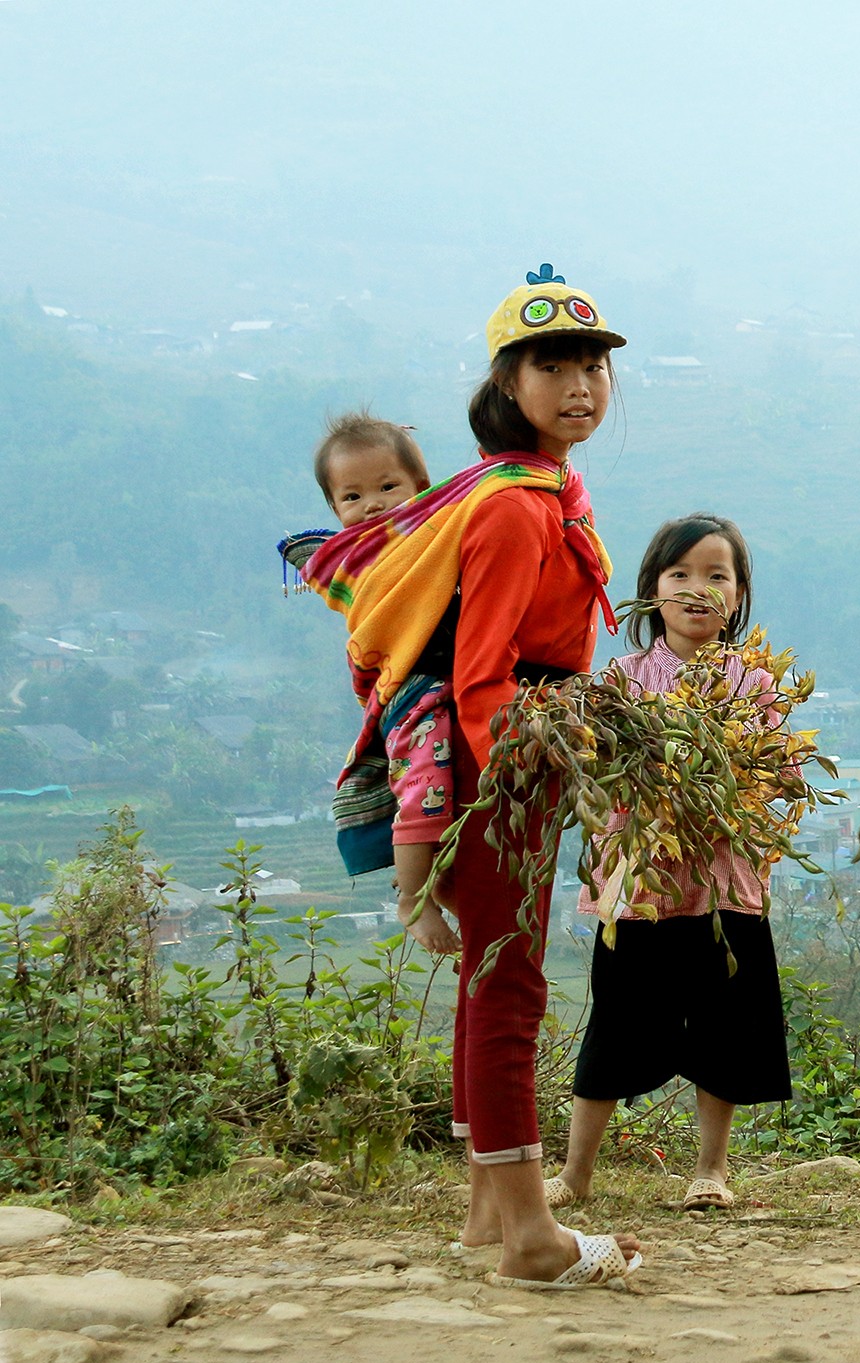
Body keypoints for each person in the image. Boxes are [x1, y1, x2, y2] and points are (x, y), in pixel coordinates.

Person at [300, 265, 638, 1288]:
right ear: (507, 380)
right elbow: (482, 672)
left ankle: (488, 1217)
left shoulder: (550, 489)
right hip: (506, 757)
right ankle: (533, 1235)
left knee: (496, 981)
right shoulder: (509, 508)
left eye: (591, 364)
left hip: (528, 746)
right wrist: (535, 782)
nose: (578, 383)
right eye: (552, 365)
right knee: (507, 985)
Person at [545, 513, 794, 1216]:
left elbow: (775, 777)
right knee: (616, 1026)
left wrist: (724, 791)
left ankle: (711, 1170)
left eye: (717, 575)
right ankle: (575, 1174)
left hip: (724, 891)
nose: (698, 589)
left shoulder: (755, 686)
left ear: (739, 596)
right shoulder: (620, 682)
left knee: (723, 1030)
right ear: (651, 590)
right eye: (680, 574)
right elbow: (598, 775)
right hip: (641, 892)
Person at [298, 414, 459, 955]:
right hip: (413, 691)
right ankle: (413, 896)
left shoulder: (445, 529)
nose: (372, 505)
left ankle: (442, 882)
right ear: (334, 509)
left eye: (388, 486)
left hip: (464, 681)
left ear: (424, 486)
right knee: (426, 786)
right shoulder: (351, 558)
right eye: (352, 496)